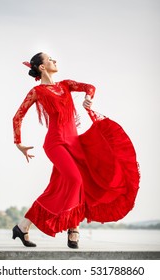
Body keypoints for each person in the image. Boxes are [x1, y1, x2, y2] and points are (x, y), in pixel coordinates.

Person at [12, 52, 140, 248]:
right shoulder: (37, 92)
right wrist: (18, 143)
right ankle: (74, 229)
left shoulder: (65, 85)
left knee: (64, 186)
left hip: (74, 143)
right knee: (75, 179)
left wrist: (88, 98)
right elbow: (17, 116)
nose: (54, 60)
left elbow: (90, 87)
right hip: (55, 144)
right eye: (50, 59)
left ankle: (23, 226)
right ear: (42, 67)